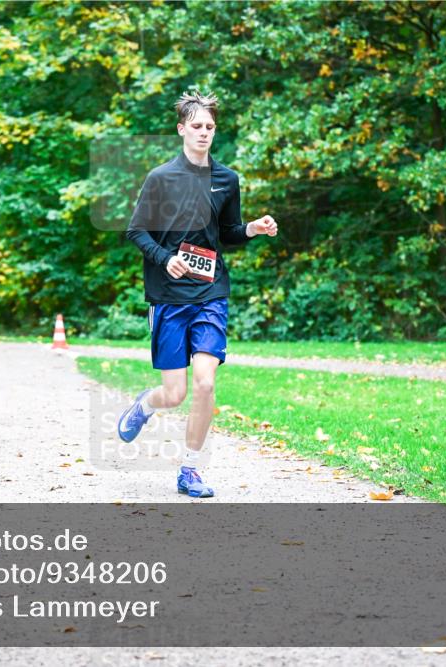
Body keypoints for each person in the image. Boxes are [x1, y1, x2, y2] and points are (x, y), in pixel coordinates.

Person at [118, 91, 278, 498]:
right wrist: (164, 257)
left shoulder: (227, 180)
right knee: (175, 393)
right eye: (196, 126)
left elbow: (226, 233)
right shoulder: (160, 179)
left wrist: (253, 230)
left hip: (210, 292)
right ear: (181, 130)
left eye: (209, 127)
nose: (204, 133)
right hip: (168, 295)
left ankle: (190, 471)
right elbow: (137, 231)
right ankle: (146, 405)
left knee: (205, 384)